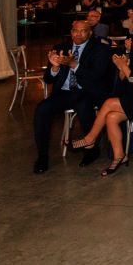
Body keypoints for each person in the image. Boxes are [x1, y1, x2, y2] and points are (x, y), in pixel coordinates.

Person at [67, 29, 133, 176]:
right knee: (111, 117)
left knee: (109, 103)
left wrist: (124, 67)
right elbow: (128, 86)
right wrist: (122, 70)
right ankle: (119, 156)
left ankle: (90, 139)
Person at [33, 20, 113, 174]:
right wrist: (55, 67)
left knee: (83, 104)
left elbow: (96, 77)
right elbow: (48, 79)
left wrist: (74, 65)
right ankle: (42, 156)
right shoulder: (60, 48)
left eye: (83, 31)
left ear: (90, 33)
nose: (78, 34)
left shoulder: (100, 49)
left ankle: (91, 149)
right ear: (71, 32)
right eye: (75, 31)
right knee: (41, 110)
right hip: (64, 93)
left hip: (87, 91)